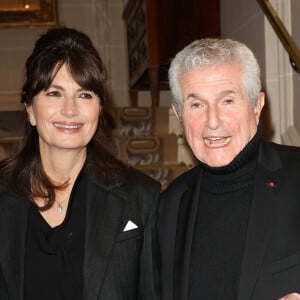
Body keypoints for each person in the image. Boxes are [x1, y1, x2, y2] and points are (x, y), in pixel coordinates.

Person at [0, 27, 161, 300]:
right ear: (30, 109)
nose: (70, 110)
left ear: (100, 108)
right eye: (54, 93)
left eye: (84, 94)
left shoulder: (140, 196)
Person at [158, 38, 300, 300]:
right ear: (179, 115)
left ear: (257, 106)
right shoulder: (170, 204)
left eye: (227, 101)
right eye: (196, 105)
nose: (212, 122)